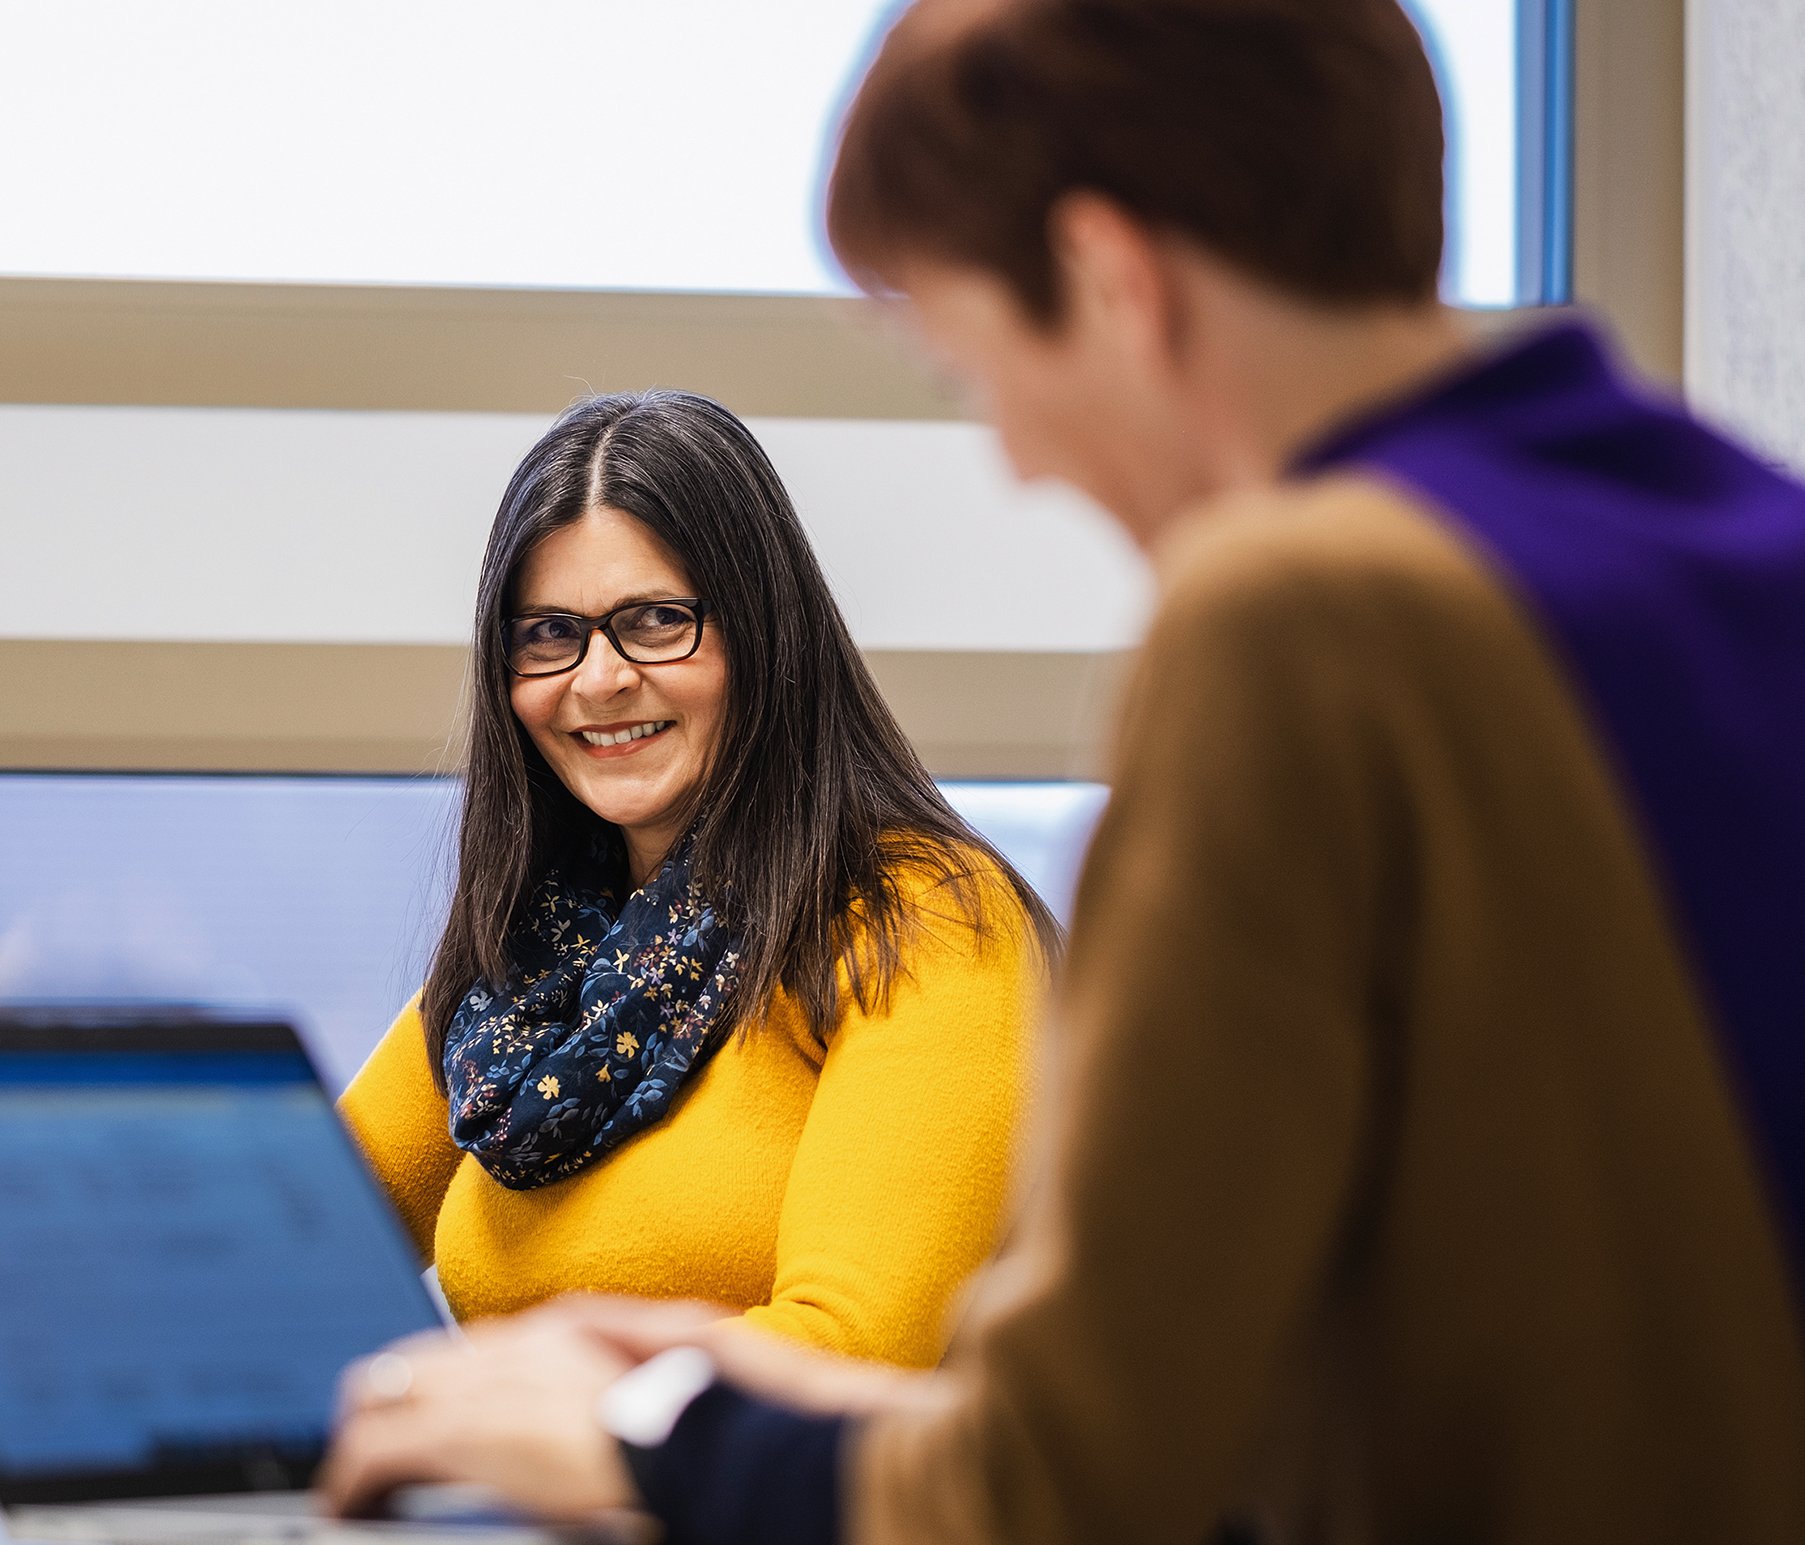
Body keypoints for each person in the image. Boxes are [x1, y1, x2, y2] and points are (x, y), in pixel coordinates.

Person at [317, 0, 1805, 1539]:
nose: (1017, 457)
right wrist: (779, 1392)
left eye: (975, 367)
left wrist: (643, 1448)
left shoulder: (1299, 620)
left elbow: (1071, 1487)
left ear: (1109, 277)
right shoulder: (1742, 548)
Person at [338, 388, 1056, 1369]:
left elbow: (859, 1349)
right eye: (547, 634)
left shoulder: (922, 920)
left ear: (761, 633)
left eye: (654, 619)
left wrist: (506, 1408)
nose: (597, 679)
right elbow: (285, 1260)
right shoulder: (522, 970)